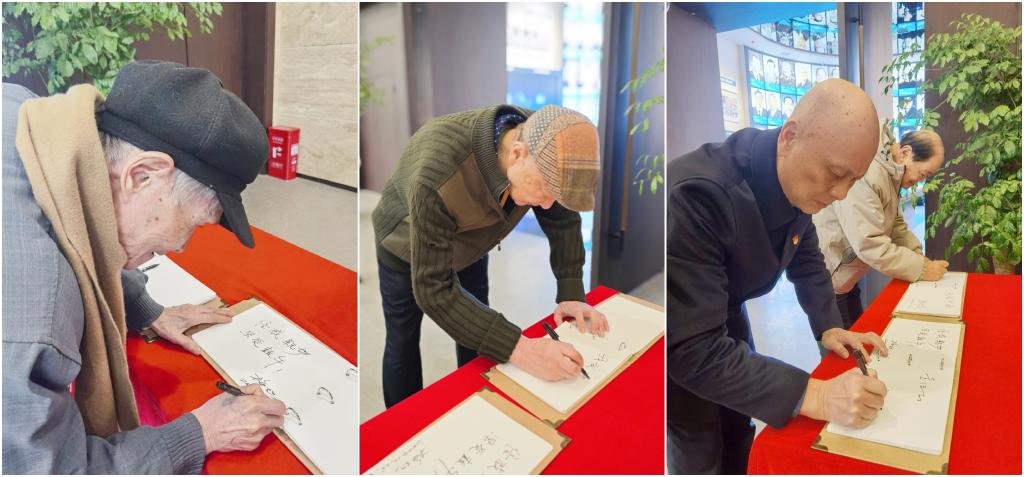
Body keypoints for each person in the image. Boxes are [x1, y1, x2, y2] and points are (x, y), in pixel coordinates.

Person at [3, 61, 286, 474]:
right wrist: (200, 433)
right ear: (141, 176)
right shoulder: (35, 318)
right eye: (195, 223)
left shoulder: (29, 120)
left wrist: (142, 308)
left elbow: (79, 226)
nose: (181, 247)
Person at [666, 79, 889, 474]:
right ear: (789, 138)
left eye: (853, 179)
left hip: (727, 312)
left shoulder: (798, 182)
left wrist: (829, 326)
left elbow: (806, 256)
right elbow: (692, 349)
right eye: (835, 173)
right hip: (683, 331)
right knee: (699, 443)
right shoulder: (696, 194)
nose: (841, 194)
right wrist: (817, 395)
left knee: (739, 426)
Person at [371, 104, 608, 408]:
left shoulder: (545, 139)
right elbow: (433, 289)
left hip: (472, 244)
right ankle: (401, 426)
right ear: (517, 154)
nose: (548, 205)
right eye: (543, 190)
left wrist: (571, 291)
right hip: (404, 244)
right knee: (402, 339)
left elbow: (562, 219)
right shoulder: (438, 171)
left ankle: (478, 406)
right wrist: (523, 350)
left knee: (476, 329)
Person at [814, 122, 948, 328]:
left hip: (848, 274)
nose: (919, 181)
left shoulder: (890, 171)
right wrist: (922, 269)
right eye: (923, 174)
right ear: (906, 152)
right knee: (842, 345)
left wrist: (918, 256)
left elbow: (894, 222)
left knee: (857, 334)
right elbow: (870, 244)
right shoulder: (868, 172)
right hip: (830, 277)